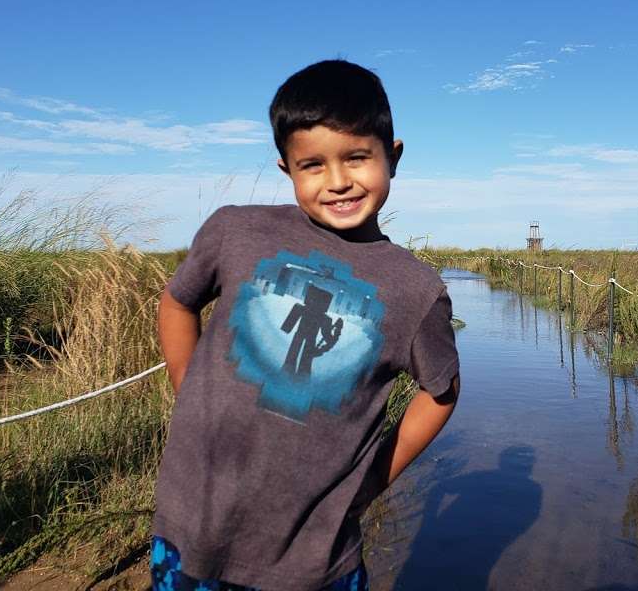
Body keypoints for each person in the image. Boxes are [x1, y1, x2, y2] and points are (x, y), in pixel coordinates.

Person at [152, 60, 461, 591]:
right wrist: (190, 393)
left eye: (358, 158)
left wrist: (373, 480)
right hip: (191, 530)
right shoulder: (235, 231)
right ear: (286, 168)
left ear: (394, 156)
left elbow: (441, 390)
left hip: (314, 559)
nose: (338, 181)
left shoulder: (416, 288)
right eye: (312, 165)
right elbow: (177, 303)